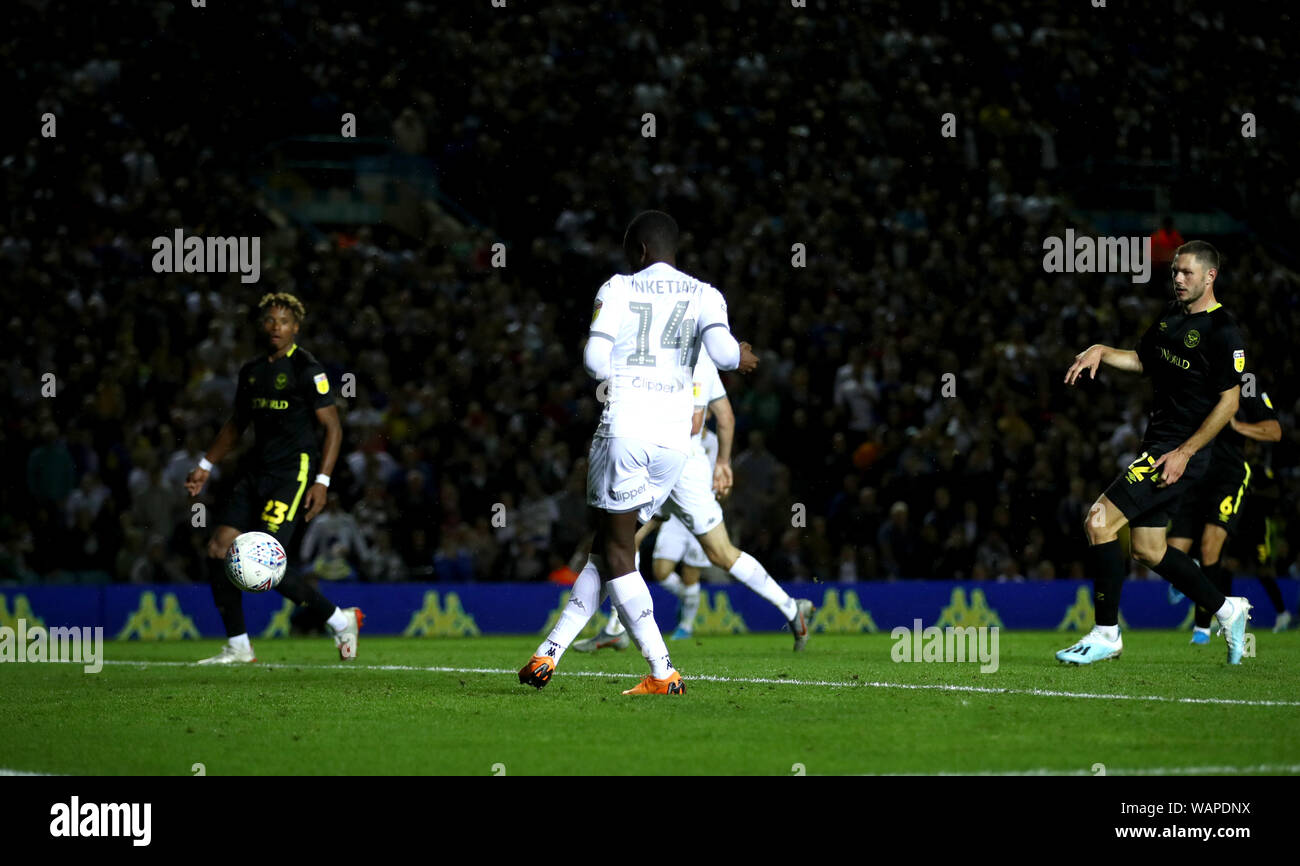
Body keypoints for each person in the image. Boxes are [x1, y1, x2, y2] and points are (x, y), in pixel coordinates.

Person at [518, 211, 758, 695]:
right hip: (674, 443)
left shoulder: (618, 288)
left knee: (618, 551)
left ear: (640, 252)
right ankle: (548, 655)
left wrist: (617, 367)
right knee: (604, 552)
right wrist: (743, 355)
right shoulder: (706, 294)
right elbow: (729, 356)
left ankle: (662, 669)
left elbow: (592, 361)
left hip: (625, 431)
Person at [1057, 241, 1253, 665]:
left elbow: (1229, 403)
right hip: (1158, 444)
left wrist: (1184, 452)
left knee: (1098, 520)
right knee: (1148, 548)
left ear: (1210, 276)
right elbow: (1145, 361)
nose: (1178, 279)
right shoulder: (1170, 315)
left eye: (1187, 273)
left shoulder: (1224, 332)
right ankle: (1227, 609)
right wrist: (1103, 351)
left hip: (1180, 451)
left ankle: (1106, 634)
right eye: (1175, 272)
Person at [574, 349, 813, 651]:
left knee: (721, 554)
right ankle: (616, 628)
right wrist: (724, 463)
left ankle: (792, 609)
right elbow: (725, 416)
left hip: (682, 471)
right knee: (623, 541)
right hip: (659, 464)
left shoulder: (689, 360)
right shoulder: (694, 357)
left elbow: (696, 422)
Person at [185, 293, 362, 663]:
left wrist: (322, 481)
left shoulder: (307, 369)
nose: (275, 327)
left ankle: (339, 620)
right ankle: (238, 646)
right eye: (269, 320)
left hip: (292, 473)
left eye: (283, 321)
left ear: (296, 327)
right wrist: (206, 464)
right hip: (255, 471)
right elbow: (236, 425)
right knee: (219, 548)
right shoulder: (252, 371)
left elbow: (333, 428)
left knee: (268, 561)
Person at [1166, 386, 1281, 642]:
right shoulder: (1197, 375)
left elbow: (1274, 431)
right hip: (1193, 474)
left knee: (1209, 549)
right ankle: (1188, 571)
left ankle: (1202, 627)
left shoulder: (1246, 382)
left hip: (1227, 477)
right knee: (1170, 553)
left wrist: (1239, 427)